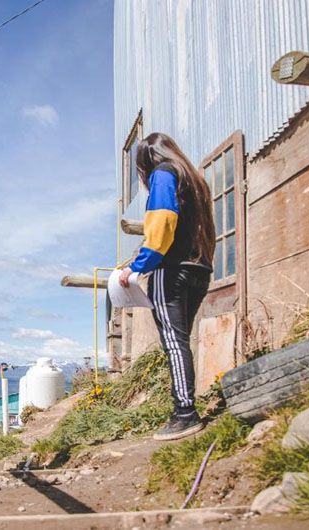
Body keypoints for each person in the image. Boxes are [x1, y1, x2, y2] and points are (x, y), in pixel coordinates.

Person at [119, 132, 215, 441]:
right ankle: (184, 408)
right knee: (181, 341)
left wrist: (138, 265)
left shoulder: (163, 174)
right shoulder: (197, 182)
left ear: (147, 161)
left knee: (174, 343)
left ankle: (184, 414)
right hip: (200, 269)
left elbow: (162, 224)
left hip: (170, 271)